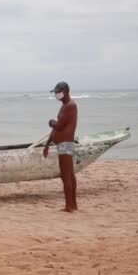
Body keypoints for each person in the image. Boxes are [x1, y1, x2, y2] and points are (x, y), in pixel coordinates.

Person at [43, 81, 78, 212]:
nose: (56, 95)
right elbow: (56, 130)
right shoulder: (64, 106)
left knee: (66, 176)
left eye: (58, 92)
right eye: (55, 92)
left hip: (66, 144)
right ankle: (72, 204)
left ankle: (70, 205)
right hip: (63, 144)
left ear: (65, 91)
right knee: (69, 174)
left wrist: (51, 122)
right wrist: (47, 144)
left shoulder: (70, 106)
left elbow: (58, 126)